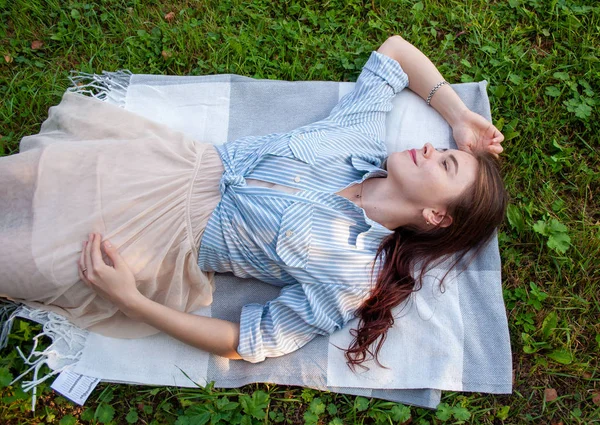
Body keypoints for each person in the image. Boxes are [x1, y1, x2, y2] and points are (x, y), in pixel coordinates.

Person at [0, 35, 506, 367]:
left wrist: (132, 300)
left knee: (16, 258)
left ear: (436, 216)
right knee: (18, 184)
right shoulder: (359, 137)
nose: (429, 148)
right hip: (161, 165)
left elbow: (246, 343)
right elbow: (396, 52)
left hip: (149, 244)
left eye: (445, 163)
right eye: (442, 149)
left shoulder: (353, 275)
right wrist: (460, 117)